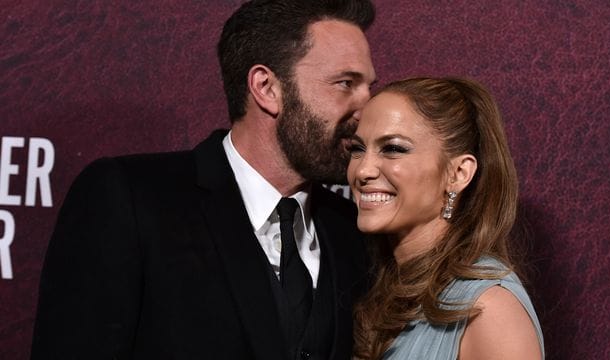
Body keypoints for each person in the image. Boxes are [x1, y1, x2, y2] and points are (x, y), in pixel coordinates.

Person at [31, 1, 377, 359]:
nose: (368, 110)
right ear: (266, 87)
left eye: (369, 88)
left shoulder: (353, 231)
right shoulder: (131, 200)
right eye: (345, 83)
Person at [347, 77, 545, 359]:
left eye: (393, 149)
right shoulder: (384, 289)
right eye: (357, 149)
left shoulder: (489, 309)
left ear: (459, 173)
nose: (363, 170)